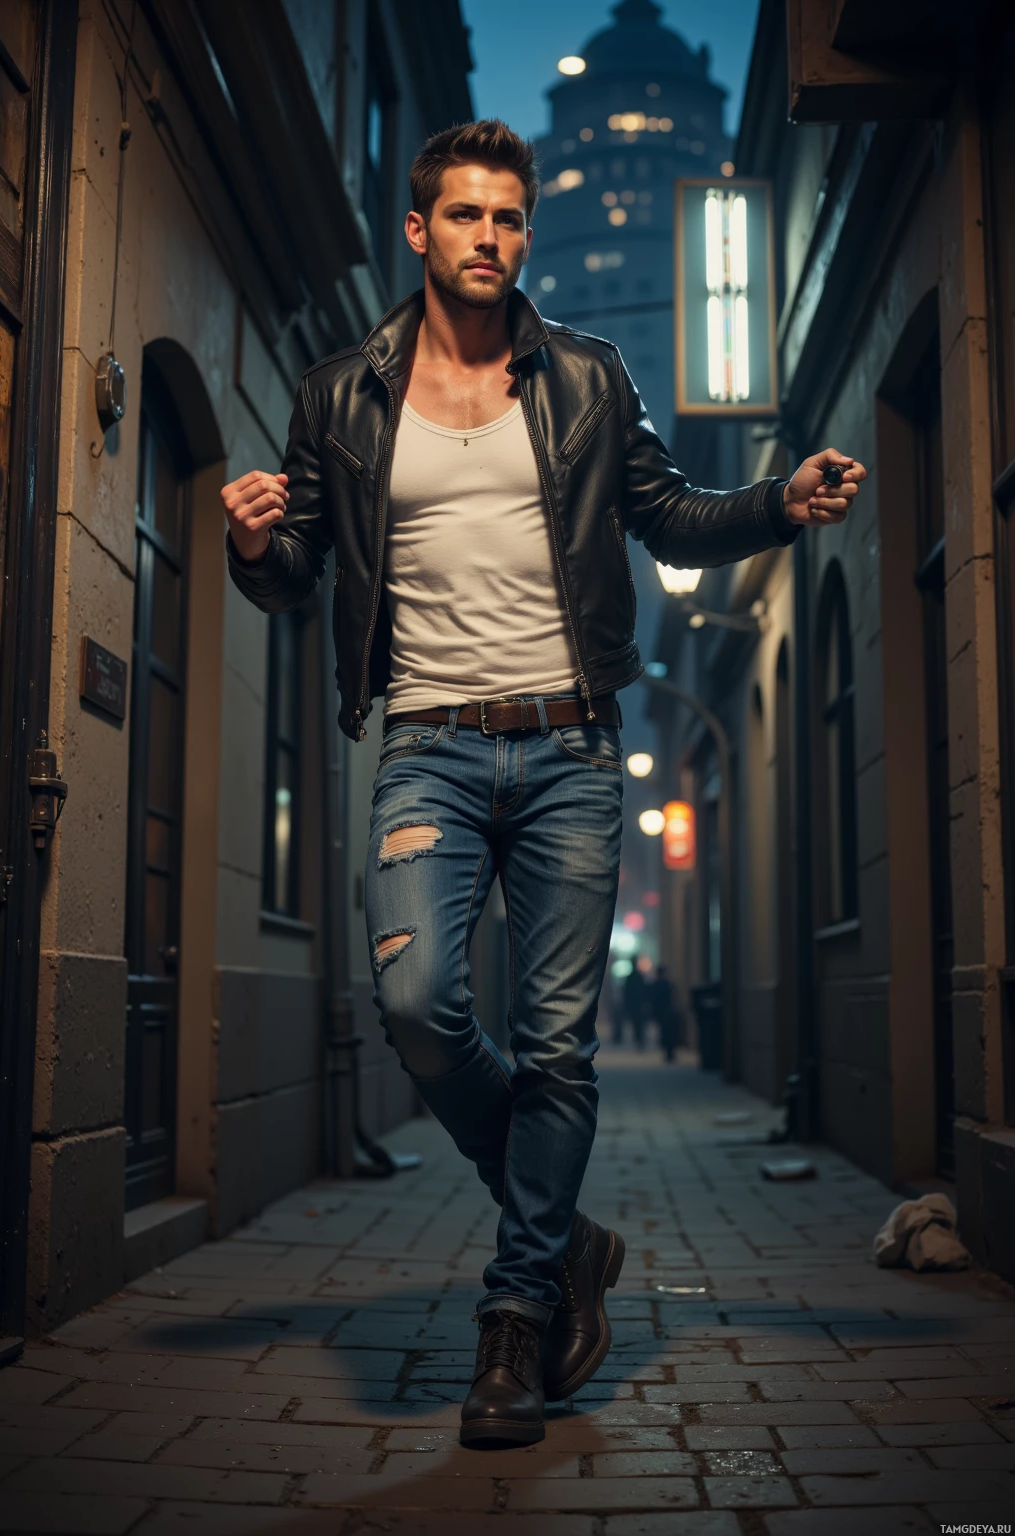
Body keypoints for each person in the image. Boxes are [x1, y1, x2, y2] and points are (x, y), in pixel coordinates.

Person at [220, 119, 865, 1448]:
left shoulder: (583, 374)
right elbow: (299, 583)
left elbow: (669, 513)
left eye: (509, 220)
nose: (490, 239)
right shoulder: (341, 394)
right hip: (428, 747)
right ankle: (567, 1233)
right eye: (464, 217)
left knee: (562, 1044)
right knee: (416, 999)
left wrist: (777, 501)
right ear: (420, 231)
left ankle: (515, 1320)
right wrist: (248, 547)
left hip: (572, 750)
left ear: (527, 232)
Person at [650, 964, 680, 1062]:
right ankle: (669, 1053)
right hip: (667, 1011)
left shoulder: (657, 984)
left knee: (665, 1033)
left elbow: (653, 1000)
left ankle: (668, 1053)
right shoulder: (667, 984)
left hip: (661, 1012)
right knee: (669, 1034)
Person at [622, 956, 650, 1051]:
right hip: (638, 1004)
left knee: (637, 1024)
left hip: (634, 1005)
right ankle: (640, 1040)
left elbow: (626, 992)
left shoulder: (631, 977)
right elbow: (644, 991)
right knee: (639, 1024)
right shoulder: (638, 976)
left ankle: (639, 1040)